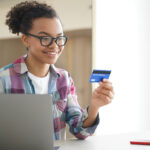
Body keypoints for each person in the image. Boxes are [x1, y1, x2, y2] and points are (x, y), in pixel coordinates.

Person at [0, 1, 114, 140]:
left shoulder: (64, 79)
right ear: (26, 39)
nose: (55, 45)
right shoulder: (3, 79)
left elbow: (79, 130)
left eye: (59, 38)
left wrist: (95, 106)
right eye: (45, 38)